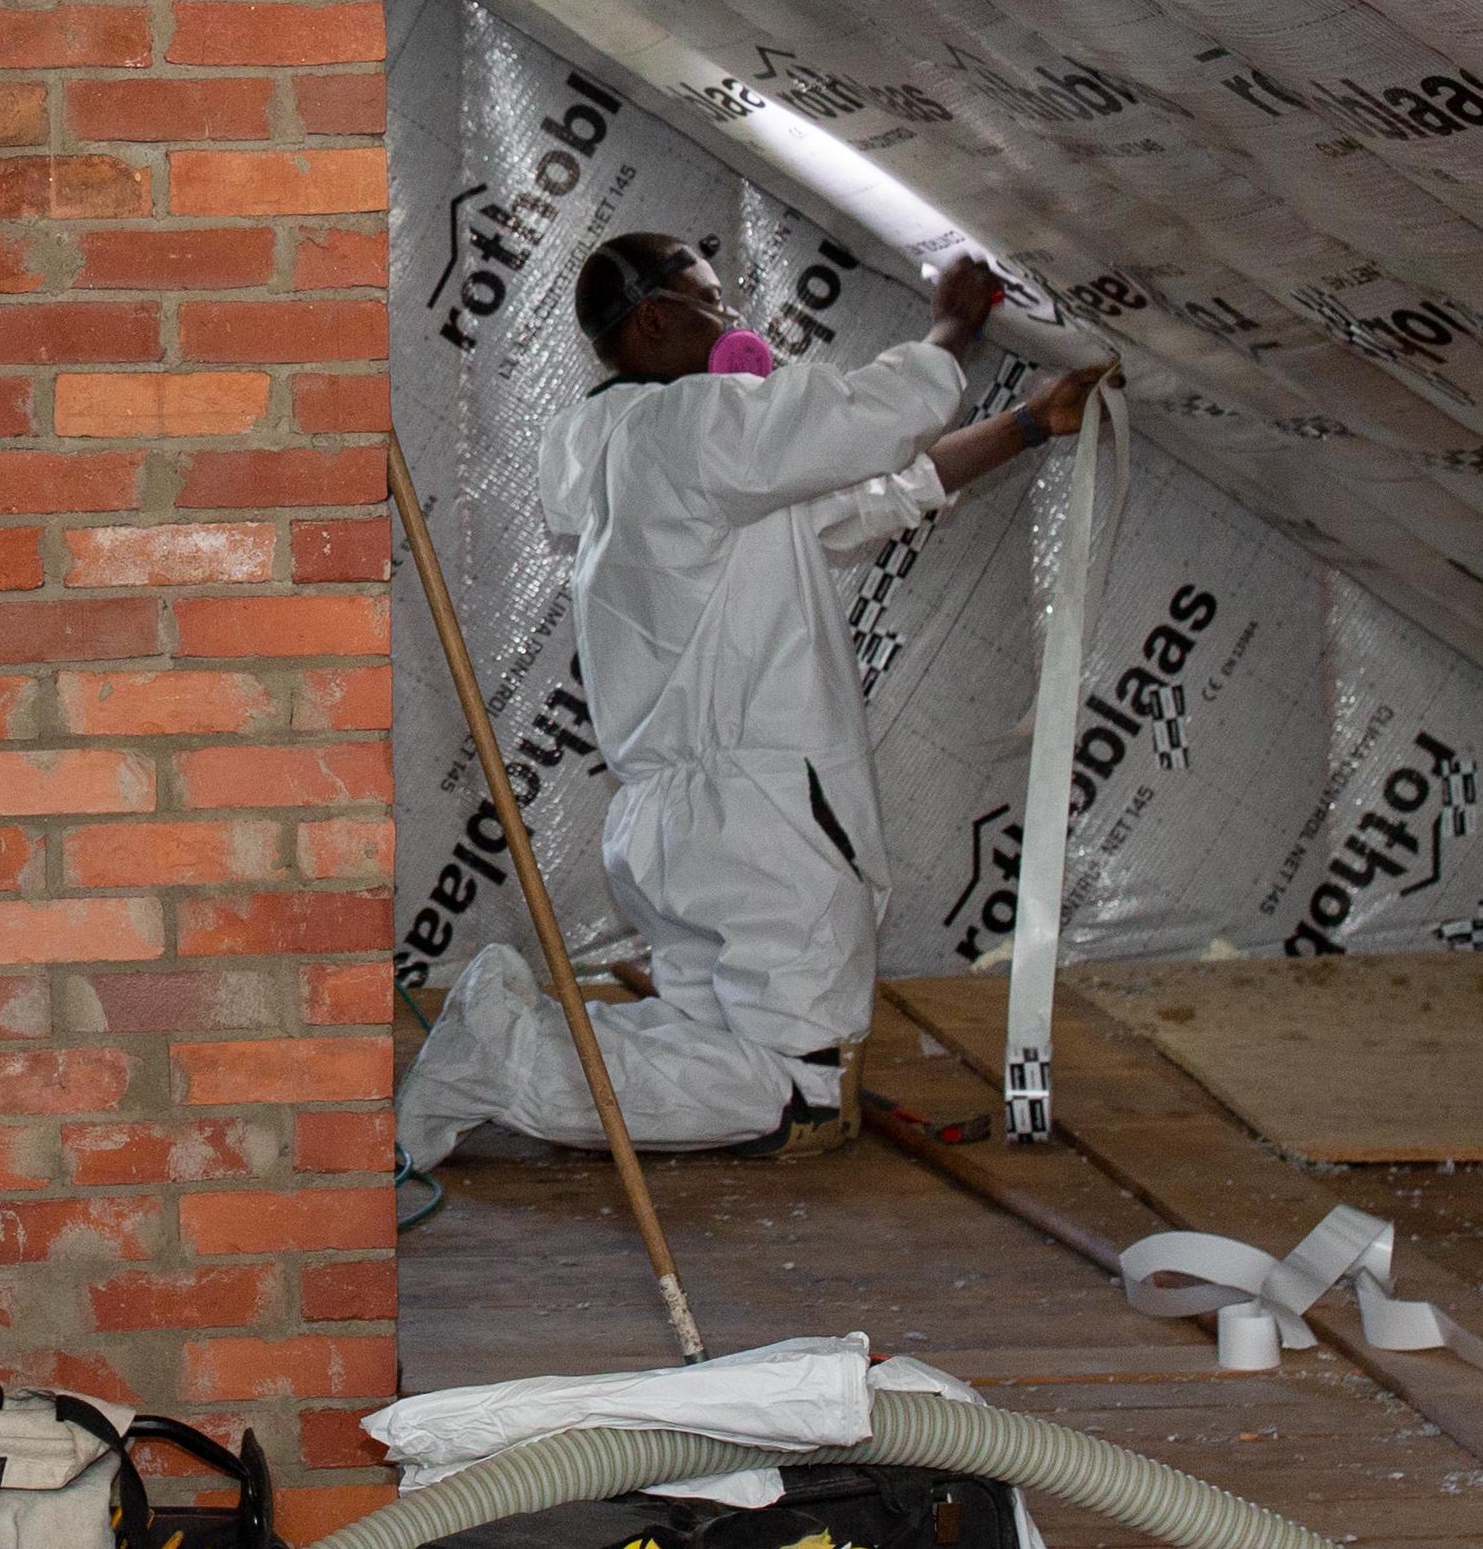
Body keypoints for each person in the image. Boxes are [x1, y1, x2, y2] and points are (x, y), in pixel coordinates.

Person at [399, 237, 1100, 1166]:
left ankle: (508, 1032)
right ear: (651, 318)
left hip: (680, 823)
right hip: (757, 811)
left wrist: (1026, 424)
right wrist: (955, 323)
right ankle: (507, 1063)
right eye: (708, 302)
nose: (730, 324)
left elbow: (876, 496)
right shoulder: (691, 427)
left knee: (708, 1046)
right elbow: (864, 421)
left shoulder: (625, 453)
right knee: (793, 1087)